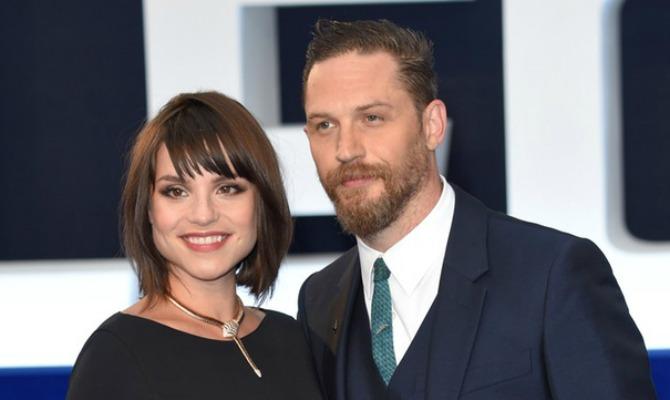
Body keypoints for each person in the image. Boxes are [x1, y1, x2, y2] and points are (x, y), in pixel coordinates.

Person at [297, 19, 657, 399]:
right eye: (325, 125)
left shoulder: (552, 275)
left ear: (432, 125)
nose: (346, 149)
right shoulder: (319, 300)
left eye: (372, 118)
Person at [67, 91, 322, 399]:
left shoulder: (291, 338)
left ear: (262, 202)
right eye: (176, 191)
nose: (203, 215)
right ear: (148, 209)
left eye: (227, 188)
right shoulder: (114, 356)